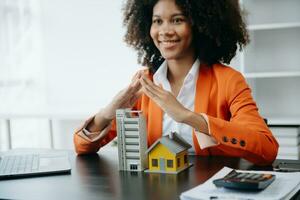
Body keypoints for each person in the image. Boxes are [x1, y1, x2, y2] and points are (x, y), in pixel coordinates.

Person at [74, 0, 278, 165]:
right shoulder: (143, 82)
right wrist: (107, 114)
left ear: (199, 25)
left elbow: (267, 149)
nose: (165, 31)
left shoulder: (228, 80)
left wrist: (188, 117)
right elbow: (82, 147)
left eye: (177, 20)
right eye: (157, 21)